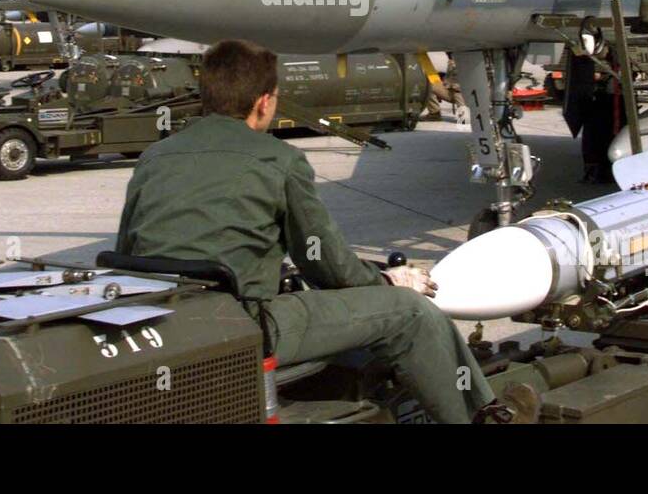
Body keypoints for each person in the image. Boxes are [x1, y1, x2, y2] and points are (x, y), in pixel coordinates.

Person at [116, 38, 536, 423]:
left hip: (167, 325)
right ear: (264, 103)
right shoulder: (278, 160)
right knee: (411, 315)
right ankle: (478, 416)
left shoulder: (154, 157)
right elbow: (327, 267)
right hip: (243, 327)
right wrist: (388, 280)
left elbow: (127, 252)